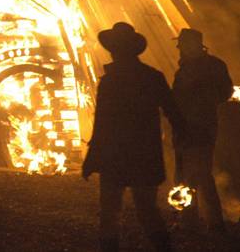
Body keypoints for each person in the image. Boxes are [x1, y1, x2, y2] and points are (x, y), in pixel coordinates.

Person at [82, 22, 185, 252]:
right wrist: (183, 137)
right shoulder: (152, 77)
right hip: (145, 154)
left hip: (115, 156)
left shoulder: (110, 81)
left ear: (115, 51)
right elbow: (173, 111)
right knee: (147, 210)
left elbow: (102, 124)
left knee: (110, 213)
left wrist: (92, 158)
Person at [171, 28, 232, 233]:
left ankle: (213, 222)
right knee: (183, 173)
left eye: (182, 44)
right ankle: (188, 219)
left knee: (201, 174)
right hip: (184, 127)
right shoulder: (185, 69)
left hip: (201, 127)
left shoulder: (212, 67)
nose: (179, 49)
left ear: (194, 44)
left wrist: (202, 95)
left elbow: (224, 92)